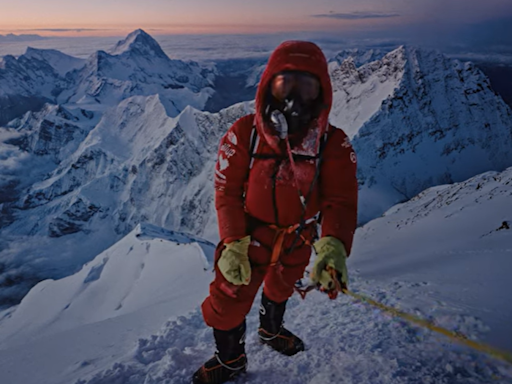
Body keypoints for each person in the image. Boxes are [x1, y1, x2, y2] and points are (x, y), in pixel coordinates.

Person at [192, 40, 358, 384]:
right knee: (227, 300)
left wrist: (333, 246)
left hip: (298, 235)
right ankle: (230, 359)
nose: (295, 98)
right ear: (269, 86)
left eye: (307, 87)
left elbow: (340, 200)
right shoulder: (243, 135)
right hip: (249, 234)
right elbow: (226, 192)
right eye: (286, 85)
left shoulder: (333, 144)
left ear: (321, 93)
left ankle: (270, 330)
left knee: (281, 288)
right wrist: (234, 240)